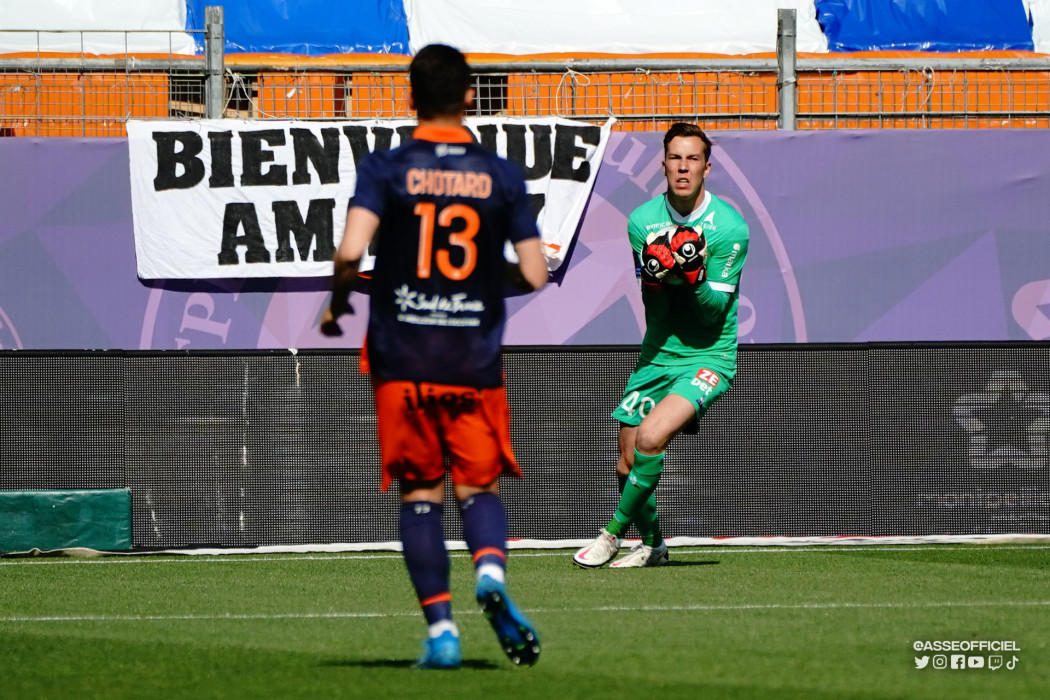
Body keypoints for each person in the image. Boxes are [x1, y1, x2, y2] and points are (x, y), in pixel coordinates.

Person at [321, 44, 548, 668]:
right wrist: (481, 276)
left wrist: (336, 306)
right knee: (478, 488)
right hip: (471, 361)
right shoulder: (502, 175)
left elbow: (350, 253)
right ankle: (491, 574)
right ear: (470, 96)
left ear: (411, 97)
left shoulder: (385, 168)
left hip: (402, 360)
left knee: (420, 494)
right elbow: (534, 273)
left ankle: (443, 633)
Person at [573, 122, 749, 569]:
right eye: (675, 158)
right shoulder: (642, 222)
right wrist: (655, 279)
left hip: (708, 356)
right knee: (626, 461)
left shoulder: (730, 228)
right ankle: (653, 546)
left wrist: (692, 277)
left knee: (651, 437)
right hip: (657, 353)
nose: (683, 167)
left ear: (707, 168)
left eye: (693, 159)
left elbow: (712, 312)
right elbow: (655, 307)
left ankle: (610, 535)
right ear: (663, 164)